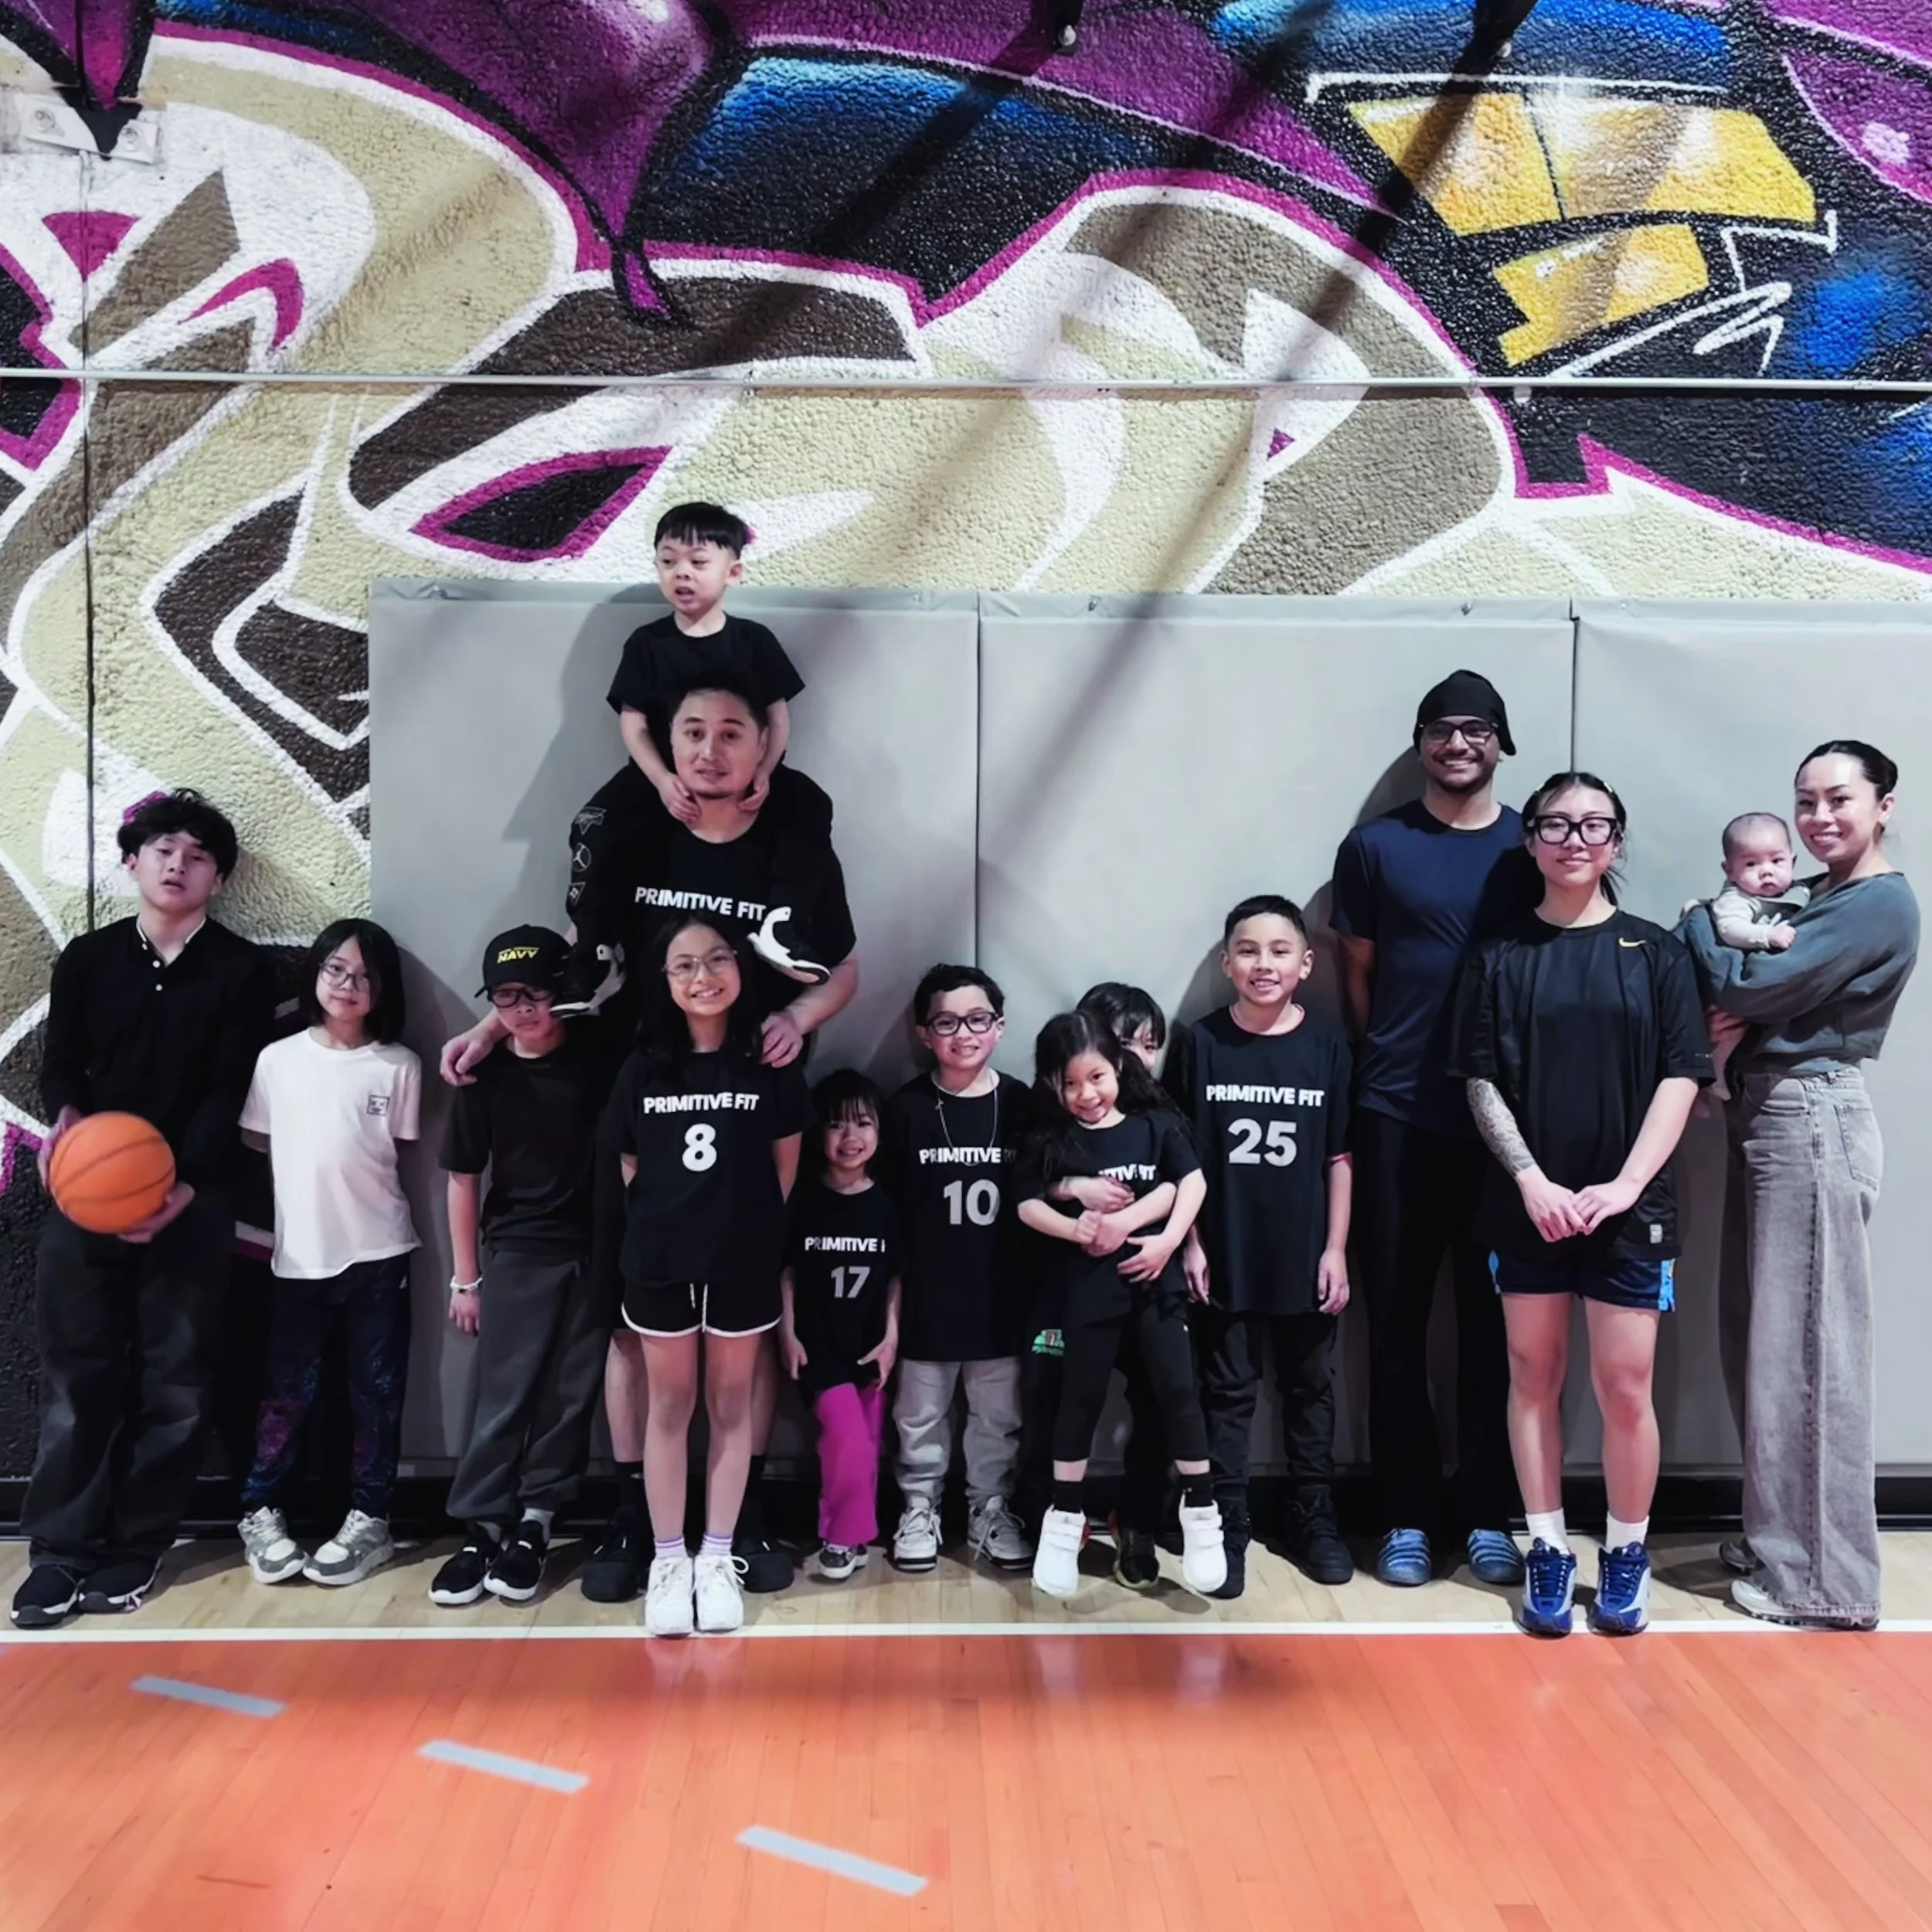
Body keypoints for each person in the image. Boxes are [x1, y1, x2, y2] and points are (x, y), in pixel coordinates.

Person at [444, 670, 860, 1598]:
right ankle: (642, 1512)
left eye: (731, 732)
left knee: (749, 1321)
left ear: (765, 741)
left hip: (751, 1091)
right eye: (691, 733)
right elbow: (576, 956)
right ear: (666, 745)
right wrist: (489, 1028)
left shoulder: (793, 834)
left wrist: (797, 1015)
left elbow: (843, 967)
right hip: (642, 1088)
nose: (709, 750)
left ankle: (738, 1515)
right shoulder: (636, 827)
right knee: (634, 1323)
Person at [1453, 774, 1710, 1637]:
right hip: (1528, 1204)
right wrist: (1530, 1179)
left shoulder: (1657, 953)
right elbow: (1480, 1080)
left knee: (1625, 1385)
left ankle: (1627, 1552)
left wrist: (1626, 1186)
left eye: (1594, 824)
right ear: (1529, 840)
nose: (1574, 838)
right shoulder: (1497, 955)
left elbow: (1682, 1075)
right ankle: (1548, 1549)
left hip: (1631, 1208)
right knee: (1533, 1375)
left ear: (1616, 842)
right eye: (1556, 824)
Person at [14, 788, 276, 1629]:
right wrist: (66, 1126)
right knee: (78, 1376)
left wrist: (185, 1185)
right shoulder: (89, 959)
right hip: (85, 1194)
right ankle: (61, 1549)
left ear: (218, 879)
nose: (177, 864)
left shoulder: (242, 970)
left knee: (177, 1380)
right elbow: (61, 1064)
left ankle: (139, 1542)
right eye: (163, 850)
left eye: (197, 856)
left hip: (192, 1199)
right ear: (132, 862)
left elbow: (229, 1089)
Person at [1680, 741, 1919, 1631]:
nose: (1818, 817)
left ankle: (1825, 1581)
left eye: (1837, 799)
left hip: (1810, 1116)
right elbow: (1741, 981)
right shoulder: (1814, 897)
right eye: (1805, 801)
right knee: (1761, 1340)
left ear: (1883, 805)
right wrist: (1724, 962)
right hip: (1770, 1116)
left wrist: (1700, 927)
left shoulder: (1876, 902)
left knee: (1809, 1351)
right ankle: (1781, 1538)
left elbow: (1754, 984)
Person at [1330, 669, 1537, 1590]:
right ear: (1419, 743)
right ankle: (1406, 1514)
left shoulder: (1532, 844)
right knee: (1396, 1324)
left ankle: (1488, 1511)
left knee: (1496, 1327)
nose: (1458, 743)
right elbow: (1359, 975)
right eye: (1441, 729)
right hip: (1395, 1114)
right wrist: (1392, 1059)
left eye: (1476, 728)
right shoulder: (1374, 847)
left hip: (1505, 1128)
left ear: (1501, 741)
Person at [607, 917, 812, 1637]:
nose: (703, 977)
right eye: (685, 965)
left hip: (741, 1264)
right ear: (664, 981)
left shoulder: (770, 1063)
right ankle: (670, 1559)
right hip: (661, 1265)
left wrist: (740, 1231)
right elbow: (631, 1167)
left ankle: (717, 1556)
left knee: (729, 1406)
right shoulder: (642, 1068)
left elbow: (785, 1169)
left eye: (717, 959)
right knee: (669, 1407)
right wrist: (674, 1228)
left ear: (740, 967)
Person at [559, 502, 837, 1010]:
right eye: (668, 562)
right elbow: (633, 723)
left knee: (810, 804)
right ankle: (598, 949)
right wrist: (662, 780)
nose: (681, 573)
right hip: (660, 775)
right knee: (593, 824)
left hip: (745, 775)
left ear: (733, 571)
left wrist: (765, 771)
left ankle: (783, 925)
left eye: (698, 562)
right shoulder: (647, 644)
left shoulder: (753, 641)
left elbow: (777, 717)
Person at [1165, 896, 1355, 1599]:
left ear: (1306, 964)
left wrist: (1336, 1249)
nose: (1263, 964)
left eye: (1279, 951)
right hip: (1226, 1249)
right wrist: (1190, 1243)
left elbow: (1340, 1157)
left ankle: (1312, 1512)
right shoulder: (1200, 1044)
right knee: (1227, 1391)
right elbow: (1179, 1158)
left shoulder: (1329, 1046)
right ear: (1226, 963)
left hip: (1305, 1251)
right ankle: (1227, 1521)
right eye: (1248, 950)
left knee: (1311, 1386)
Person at [430, 927, 620, 1608]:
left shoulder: (601, 1052)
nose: (522, 1009)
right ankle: (482, 1527)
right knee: (503, 1395)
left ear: (561, 991)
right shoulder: (483, 1074)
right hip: (516, 1250)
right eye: (506, 997)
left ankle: (537, 1522)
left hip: (595, 1252)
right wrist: (465, 1279)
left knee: (569, 1396)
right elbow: (461, 1178)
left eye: (536, 993)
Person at [233, 920, 420, 1588]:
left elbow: (400, 1148)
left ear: (383, 989)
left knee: (377, 1394)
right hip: (299, 1259)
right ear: (316, 973)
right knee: (286, 1394)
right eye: (337, 969)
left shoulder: (399, 1065)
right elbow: (258, 1142)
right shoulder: (277, 1061)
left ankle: (371, 1518)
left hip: (380, 1254)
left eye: (366, 975)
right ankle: (260, 1509)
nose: (349, 984)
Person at [1018, 1012, 1226, 1599]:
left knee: (1178, 1394)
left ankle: (1202, 1514)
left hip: (1156, 1287)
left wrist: (1163, 1240)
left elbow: (1188, 1184)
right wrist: (1078, 1228)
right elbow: (1026, 1203)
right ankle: (1063, 1522)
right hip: (1087, 1293)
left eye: (1097, 1077)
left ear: (1118, 1067)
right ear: (1051, 1084)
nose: (1086, 1094)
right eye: (1069, 1083)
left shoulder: (1155, 1124)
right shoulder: (1052, 1139)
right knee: (1077, 1403)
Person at [879, 965, 1035, 1574]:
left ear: (999, 1027)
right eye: (946, 1022)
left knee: (999, 1418)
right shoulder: (906, 1109)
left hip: (1002, 1296)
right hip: (926, 1297)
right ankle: (919, 1507)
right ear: (924, 1033)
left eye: (977, 1020)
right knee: (918, 1416)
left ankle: (989, 1507)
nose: (963, 1034)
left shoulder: (1022, 1104)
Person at [779, 1069, 903, 1581]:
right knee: (846, 1436)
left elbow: (896, 1277)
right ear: (818, 1135)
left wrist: (891, 1337)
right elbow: (786, 1271)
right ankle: (840, 1535)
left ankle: (851, 1532)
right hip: (818, 1348)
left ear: (879, 1132)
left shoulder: (887, 1203)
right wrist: (787, 1334)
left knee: (864, 1445)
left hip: (870, 1346)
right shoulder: (803, 1199)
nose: (850, 1137)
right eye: (836, 1125)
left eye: (862, 1123)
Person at [1680, 813, 1804, 1100]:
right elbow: (1730, 930)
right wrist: (1767, 935)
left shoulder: (1797, 892)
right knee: (1730, 1026)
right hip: (1713, 982)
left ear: (1793, 862)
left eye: (1777, 861)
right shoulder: (1736, 899)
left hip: (1744, 983)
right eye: (1751, 864)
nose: (1766, 872)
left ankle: (1704, 1082)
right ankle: (1712, 1072)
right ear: (1729, 871)